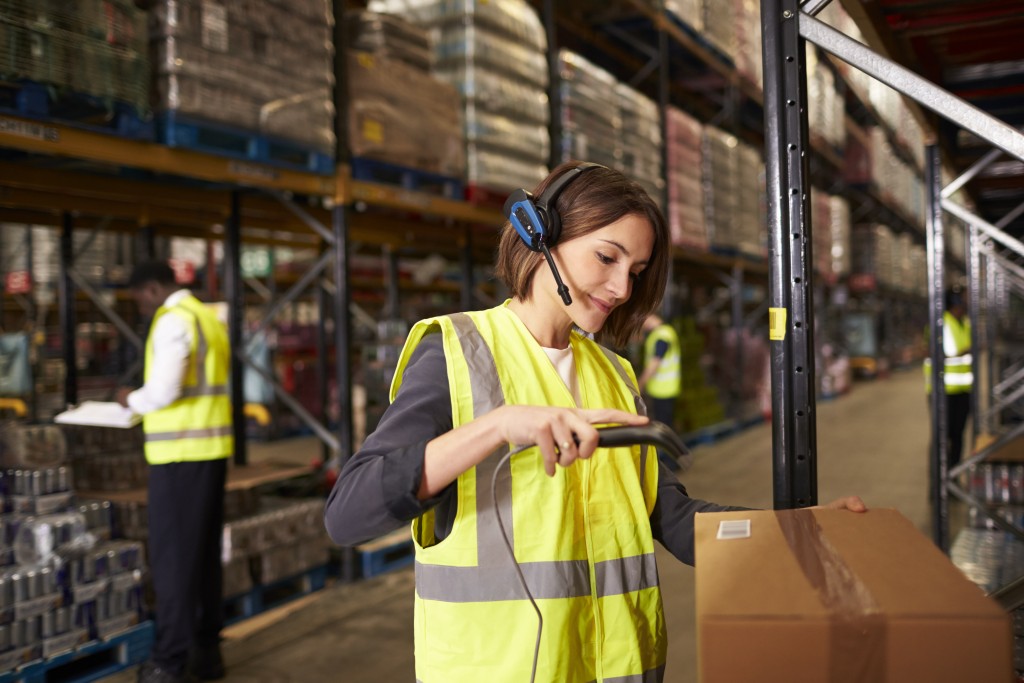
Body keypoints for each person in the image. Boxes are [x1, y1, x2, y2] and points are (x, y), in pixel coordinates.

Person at [323, 162, 865, 683]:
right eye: (607, 257)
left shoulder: (615, 375)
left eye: (636, 271)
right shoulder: (459, 355)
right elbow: (349, 514)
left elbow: (670, 516)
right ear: (539, 235)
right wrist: (496, 426)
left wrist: (797, 534)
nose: (623, 288)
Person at [116, 260, 232, 683]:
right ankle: (207, 653)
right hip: (211, 452)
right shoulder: (208, 316)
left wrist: (132, 400)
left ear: (150, 289)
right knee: (201, 558)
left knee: (174, 563)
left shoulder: (173, 321)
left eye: (138, 300)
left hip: (180, 455)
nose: (141, 309)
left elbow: (166, 389)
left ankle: (169, 661)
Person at [924, 287, 973, 469]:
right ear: (955, 302)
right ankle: (938, 486)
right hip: (942, 391)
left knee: (958, 435)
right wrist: (968, 349)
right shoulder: (939, 323)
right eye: (963, 299)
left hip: (963, 390)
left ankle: (954, 479)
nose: (967, 302)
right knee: (941, 438)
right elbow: (944, 352)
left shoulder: (966, 322)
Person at [638, 312, 684, 471]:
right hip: (666, 388)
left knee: (664, 427)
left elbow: (655, 362)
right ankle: (675, 459)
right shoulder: (665, 332)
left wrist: (641, 383)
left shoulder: (662, 335)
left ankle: (672, 462)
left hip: (663, 389)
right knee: (667, 424)